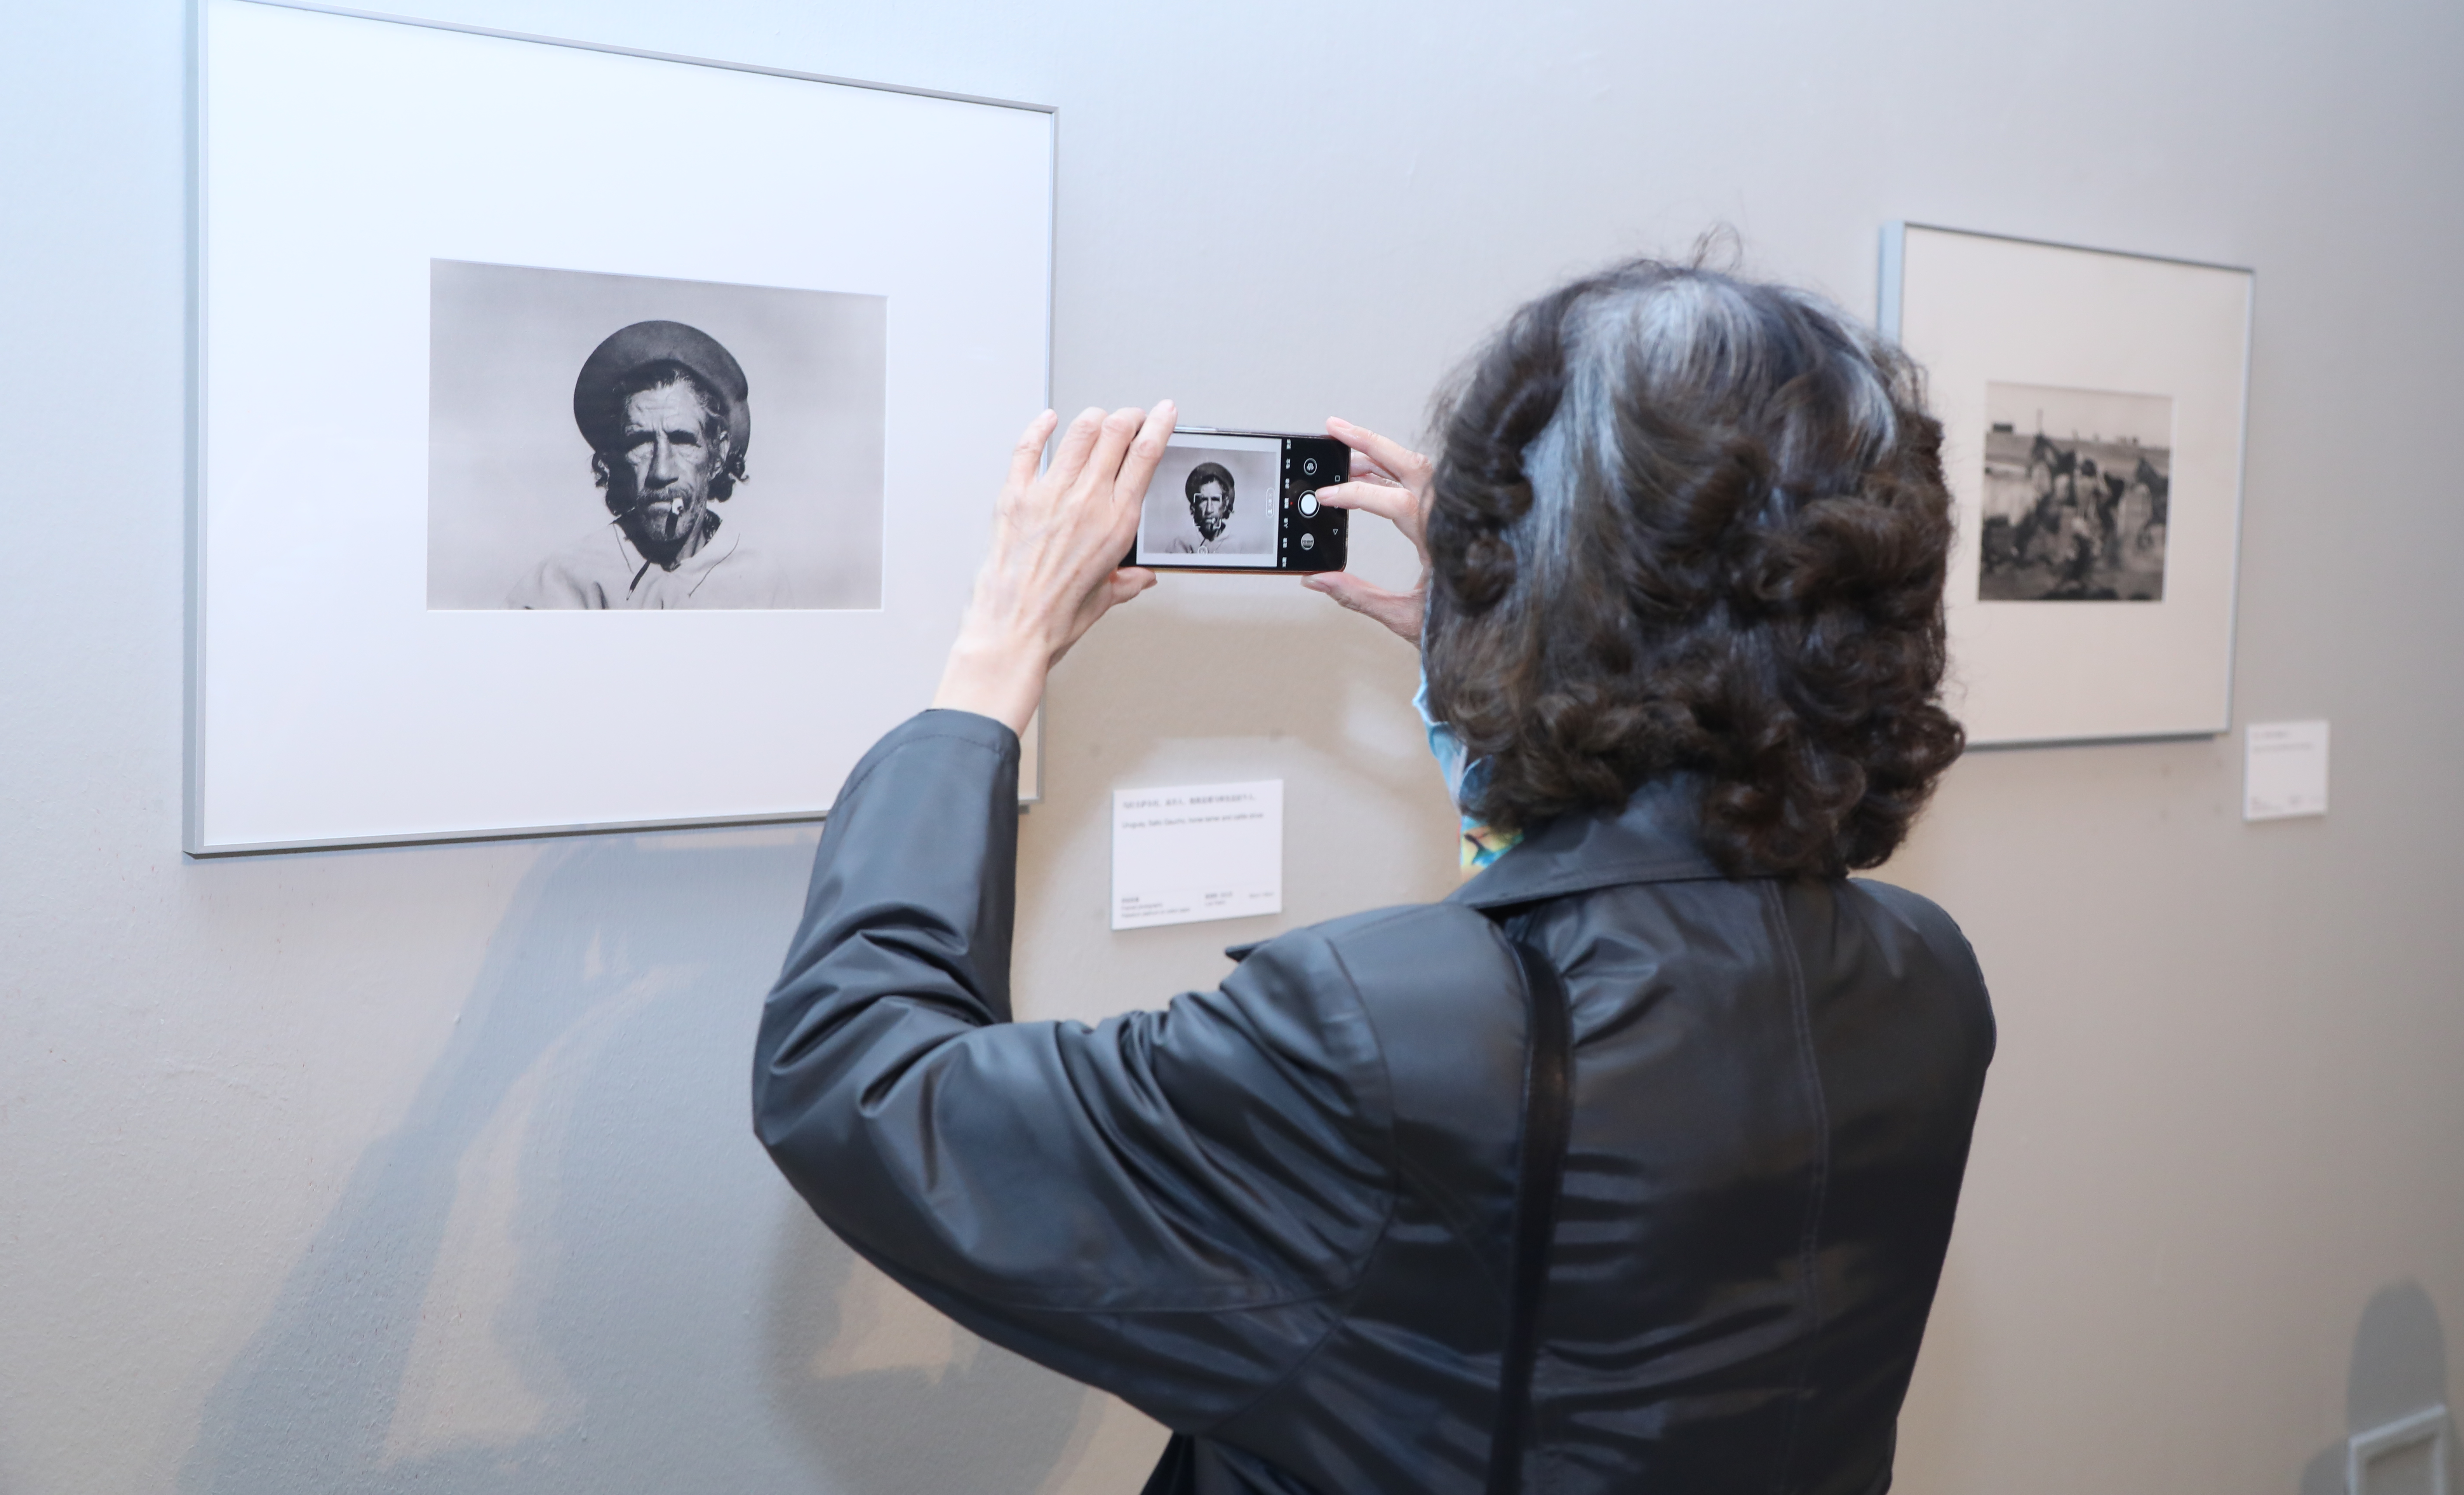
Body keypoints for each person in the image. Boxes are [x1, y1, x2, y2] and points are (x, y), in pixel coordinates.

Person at [753, 260, 1994, 1493]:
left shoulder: (1385, 1031)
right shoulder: (1923, 978)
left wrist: (993, 656)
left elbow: (862, 1082)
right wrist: (1521, 672)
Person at [507, 319, 784, 608]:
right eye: (640, 443)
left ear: (718, 455)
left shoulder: (760, 582)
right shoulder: (561, 583)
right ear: (616, 459)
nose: (661, 472)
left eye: (682, 440)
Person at [1150, 458, 1242, 555]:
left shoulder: (1238, 546)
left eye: (1215, 500)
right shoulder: (1179, 545)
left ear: (1225, 505)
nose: (1209, 510)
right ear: (1194, 506)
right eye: (1203, 500)